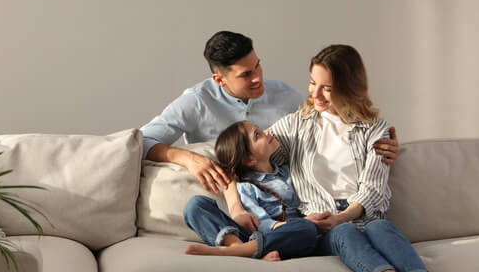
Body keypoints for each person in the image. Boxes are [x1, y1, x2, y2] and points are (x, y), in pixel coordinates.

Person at [266, 44, 461, 272]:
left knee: (381, 227)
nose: (316, 95)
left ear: (349, 87)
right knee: (343, 233)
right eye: (313, 84)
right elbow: (251, 155)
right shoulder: (294, 126)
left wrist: (345, 215)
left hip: (362, 214)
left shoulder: (376, 130)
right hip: (320, 222)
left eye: (327, 88)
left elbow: (374, 188)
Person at [141, 31, 400, 233]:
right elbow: (139, 141)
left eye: (258, 66)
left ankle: (265, 243)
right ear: (219, 80)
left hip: (287, 209)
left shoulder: (286, 96)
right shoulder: (195, 101)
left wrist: (380, 143)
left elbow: (335, 122)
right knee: (197, 207)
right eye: (246, 75)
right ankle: (240, 245)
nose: (258, 78)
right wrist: (188, 158)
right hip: (234, 200)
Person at [182, 121, 322, 261]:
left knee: (307, 229)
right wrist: (291, 225)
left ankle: (245, 253)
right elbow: (259, 224)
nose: (268, 132)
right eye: (257, 135)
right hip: (258, 236)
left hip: (287, 239)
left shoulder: (288, 170)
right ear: (249, 159)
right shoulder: (247, 186)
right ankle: (238, 248)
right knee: (195, 205)